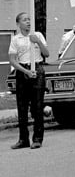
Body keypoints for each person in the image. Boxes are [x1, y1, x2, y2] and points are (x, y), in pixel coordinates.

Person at [8, 12, 49, 149]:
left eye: (29, 19)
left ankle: (37, 139)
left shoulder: (37, 35)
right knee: (22, 107)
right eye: (24, 20)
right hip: (22, 71)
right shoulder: (15, 39)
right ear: (18, 23)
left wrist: (37, 41)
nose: (28, 22)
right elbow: (12, 60)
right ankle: (23, 139)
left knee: (37, 106)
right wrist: (25, 71)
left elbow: (47, 53)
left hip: (37, 68)